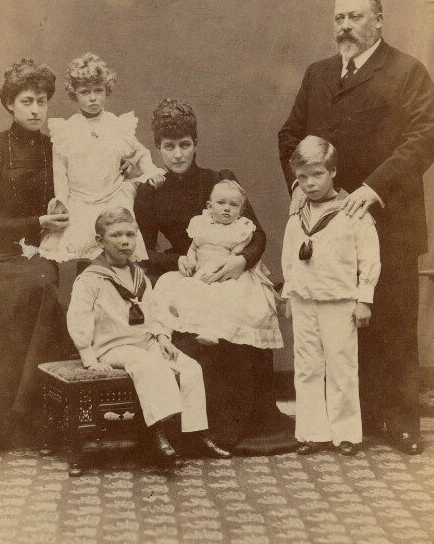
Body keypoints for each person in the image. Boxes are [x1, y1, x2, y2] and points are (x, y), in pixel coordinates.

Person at [277, 0, 434, 454]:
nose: (345, 27)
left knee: (392, 323)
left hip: (390, 219)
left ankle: (401, 421)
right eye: (339, 18)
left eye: (355, 17)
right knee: (339, 329)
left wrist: (373, 188)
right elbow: (290, 135)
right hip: (327, 230)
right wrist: (300, 187)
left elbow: (424, 137)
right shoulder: (319, 74)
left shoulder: (407, 71)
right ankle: (355, 418)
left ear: (379, 21)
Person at [135, 98, 296, 454]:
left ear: (196, 143)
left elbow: (257, 235)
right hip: (187, 271)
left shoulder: (219, 180)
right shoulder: (150, 191)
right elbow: (143, 252)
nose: (178, 154)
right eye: (169, 147)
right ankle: (197, 428)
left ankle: (244, 422)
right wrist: (177, 260)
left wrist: (242, 262)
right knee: (188, 311)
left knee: (246, 307)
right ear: (158, 147)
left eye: (185, 144)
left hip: (232, 268)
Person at [0, 58, 70, 448]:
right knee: (35, 286)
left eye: (42, 101)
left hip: (32, 255)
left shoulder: (55, 150)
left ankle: (35, 413)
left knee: (44, 282)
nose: (36, 110)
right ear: (10, 104)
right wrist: (36, 222)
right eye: (27, 101)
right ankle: (5, 416)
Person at [66, 207, 231, 465]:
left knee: (190, 368)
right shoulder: (91, 278)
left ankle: (195, 434)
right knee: (151, 365)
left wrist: (162, 338)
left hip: (145, 342)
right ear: (100, 241)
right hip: (112, 347)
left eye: (130, 234)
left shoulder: (139, 276)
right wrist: (88, 357)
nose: (125, 241)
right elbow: (78, 317)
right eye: (116, 235)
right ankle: (157, 434)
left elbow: (154, 313)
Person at [281, 136, 380, 456]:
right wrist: (289, 294)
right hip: (304, 299)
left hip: (339, 300)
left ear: (333, 171)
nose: (310, 183)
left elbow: (369, 257)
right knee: (307, 367)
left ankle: (346, 433)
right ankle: (313, 432)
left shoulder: (352, 212)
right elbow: (289, 256)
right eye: (302, 177)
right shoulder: (297, 214)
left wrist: (364, 299)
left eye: (317, 174)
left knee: (341, 366)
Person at [39, 52, 164, 263]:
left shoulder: (117, 124)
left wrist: (149, 170)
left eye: (98, 90)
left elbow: (141, 152)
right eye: (85, 92)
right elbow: (60, 172)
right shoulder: (66, 130)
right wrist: (62, 201)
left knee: (118, 251)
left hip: (113, 197)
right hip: (80, 201)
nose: (93, 98)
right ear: (74, 94)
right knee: (85, 254)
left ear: (107, 90)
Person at [153, 179, 283, 349]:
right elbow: (193, 248)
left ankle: (212, 331)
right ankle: (166, 328)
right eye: (221, 203)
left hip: (223, 273)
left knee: (221, 297)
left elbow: (234, 257)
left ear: (241, 211)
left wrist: (215, 272)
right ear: (209, 206)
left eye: (233, 205)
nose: (227, 208)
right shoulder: (201, 224)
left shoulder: (240, 229)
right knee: (176, 287)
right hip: (200, 270)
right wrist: (191, 261)